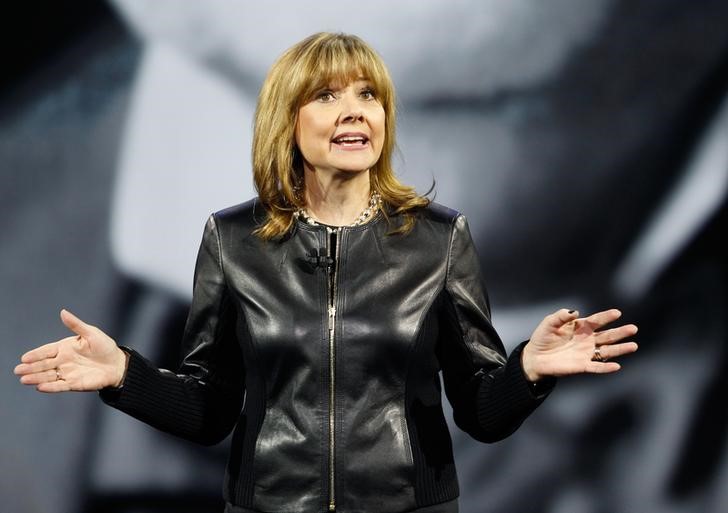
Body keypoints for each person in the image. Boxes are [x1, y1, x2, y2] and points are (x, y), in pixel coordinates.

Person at [14, 32, 638, 513]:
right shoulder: (232, 239)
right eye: (328, 96)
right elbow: (207, 411)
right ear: (287, 121)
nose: (355, 112)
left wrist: (528, 369)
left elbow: (478, 410)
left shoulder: (439, 237)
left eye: (369, 95)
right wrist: (124, 374)